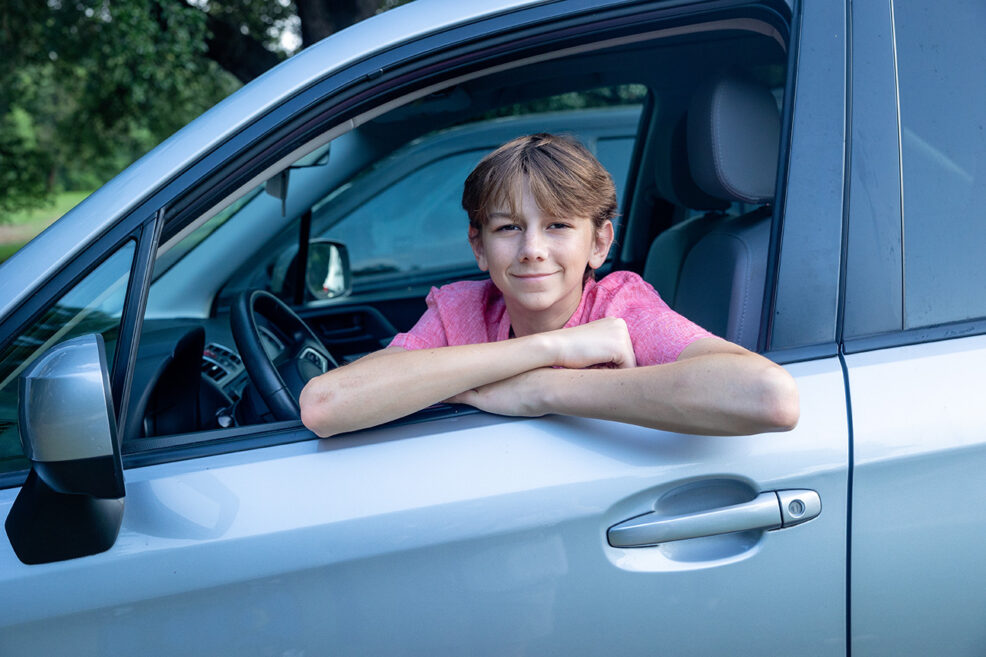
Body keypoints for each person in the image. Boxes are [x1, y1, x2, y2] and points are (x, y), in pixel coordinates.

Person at [299, 133, 799, 438]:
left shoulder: (620, 308)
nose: (532, 249)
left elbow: (766, 396)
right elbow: (325, 405)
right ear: (478, 246)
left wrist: (543, 389)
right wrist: (551, 347)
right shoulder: (461, 310)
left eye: (559, 226)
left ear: (599, 243)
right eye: (507, 227)